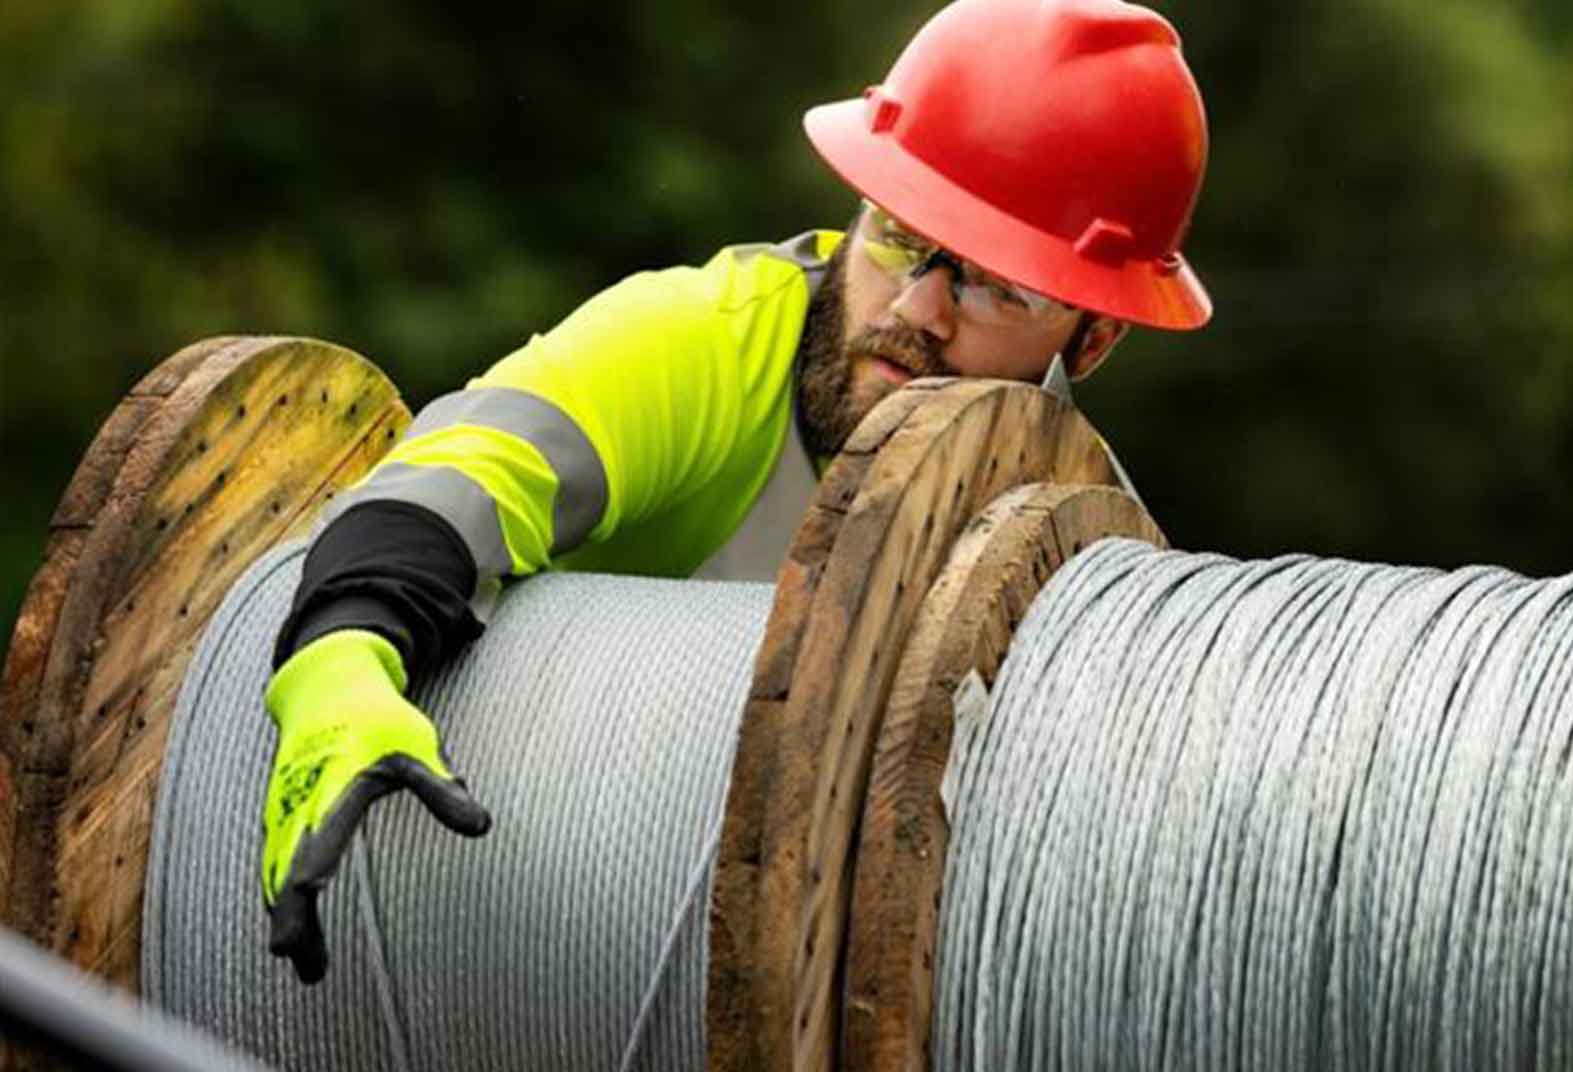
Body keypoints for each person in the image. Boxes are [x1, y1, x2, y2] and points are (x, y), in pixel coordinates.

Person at [257, 0, 1213, 983]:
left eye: (997, 287)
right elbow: (468, 462)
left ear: (1094, 339)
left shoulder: (1084, 541)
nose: (917, 309)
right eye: (896, 233)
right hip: (492, 924)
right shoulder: (710, 340)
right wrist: (341, 665)